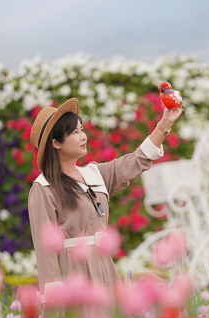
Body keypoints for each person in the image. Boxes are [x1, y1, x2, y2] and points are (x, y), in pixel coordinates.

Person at [27, 97, 185, 306]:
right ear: (56, 143)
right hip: (73, 276)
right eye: (75, 132)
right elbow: (45, 248)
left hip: (104, 271)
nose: (83, 136)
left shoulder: (96, 173)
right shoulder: (43, 187)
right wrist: (56, 301)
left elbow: (136, 160)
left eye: (82, 129)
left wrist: (165, 124)